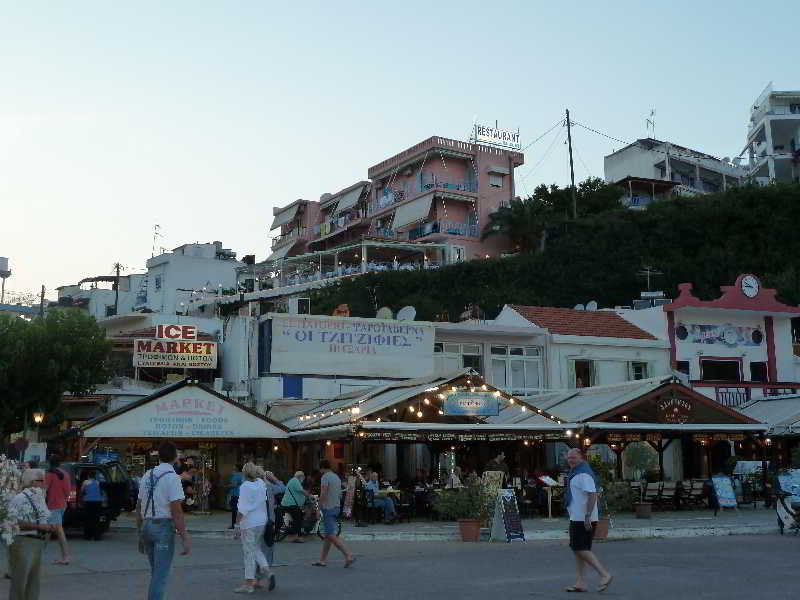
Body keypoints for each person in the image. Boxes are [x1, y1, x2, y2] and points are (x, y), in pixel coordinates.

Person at [136, 441, 191, 600]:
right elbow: (177, 511)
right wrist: (184, 536)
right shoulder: (172, 478)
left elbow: (139, 507)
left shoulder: (147, 475)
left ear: (159, 457)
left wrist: (140, 533)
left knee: (156, 573)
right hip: (162, 528)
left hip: (147, 525)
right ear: (175, 458)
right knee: (160, 576)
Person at [564, 448, 612, 593]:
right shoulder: (575, 473)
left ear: (581, 458)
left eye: (574, 457)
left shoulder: (584, 474)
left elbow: (592, 495)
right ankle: (580, 582)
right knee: (578, 549)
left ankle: (604, 574)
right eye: (569, 457)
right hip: (576, 517)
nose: (571, 460)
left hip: (584, 518)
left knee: (580, 548)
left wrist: (587, 516)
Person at [8, 468, 56, 600]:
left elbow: (44, 518)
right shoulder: (19, 498)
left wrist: (49, 527)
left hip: (37, 542)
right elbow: (13, 522)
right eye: (41, 481)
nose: (44, 484)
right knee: (20, 582)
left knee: (33, 582)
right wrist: (39, 526)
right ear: (32, 482)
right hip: (23, 542)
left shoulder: (39, 498)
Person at [233, 462, 274, 594]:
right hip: (261, 521)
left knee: (248, 553)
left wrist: (237, 525)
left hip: (249, 522)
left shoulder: (245, 486)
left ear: (244, 474)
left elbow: (242, 508)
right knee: (256, 548)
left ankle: (248, 584)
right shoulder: (261, 483)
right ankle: (267, 570)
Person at [312, 459, 354, 568]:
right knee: (328, 536)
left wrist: (318, 508)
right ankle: (322, 560)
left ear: (322, 468)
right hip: (336, 507)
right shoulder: (336, 477)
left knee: (330, 535)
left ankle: (348, 555)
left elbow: (323, 494)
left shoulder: (325, 477)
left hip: (328, 508)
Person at [44, 456, 72, 563]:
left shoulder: (50, 474)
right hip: (62, 505)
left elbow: (44, 491)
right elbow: (68, 493)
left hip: (53, 505)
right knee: (49, 529)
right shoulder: (66, 474)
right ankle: (38, 553)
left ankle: (66, 557)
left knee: (59, 531)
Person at [280, 471, 308, 542]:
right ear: (300, 476)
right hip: (290, 504)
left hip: (289, 504)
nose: (303, 478)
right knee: (298, 518)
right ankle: (296, 536)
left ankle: (294, 532)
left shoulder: (293, 481)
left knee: (299, 516)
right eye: (303, 476)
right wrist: (309, 496)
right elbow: (302, 491)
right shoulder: (295, 480)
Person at [80, 471, 104, 540]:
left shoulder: (85, 482)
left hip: (88, 502)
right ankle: (96, 536)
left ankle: (88, 536)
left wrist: (81, 499)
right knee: (96, 519)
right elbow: (101, 492)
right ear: (94, 476)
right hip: (97, 502)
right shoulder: (98, 482)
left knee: (88, 519)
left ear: (88, 476)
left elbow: (82, 491)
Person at [227, 464, 244, 529]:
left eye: (234, 466)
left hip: (235, 494)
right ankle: (240, 524)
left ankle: (233, 524)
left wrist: (227, 486)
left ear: (237, 468)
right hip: (241, 494)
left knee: (234, 510)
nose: (233, 467)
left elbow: (234, 484)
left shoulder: (236, 475)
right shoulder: (243, 475)